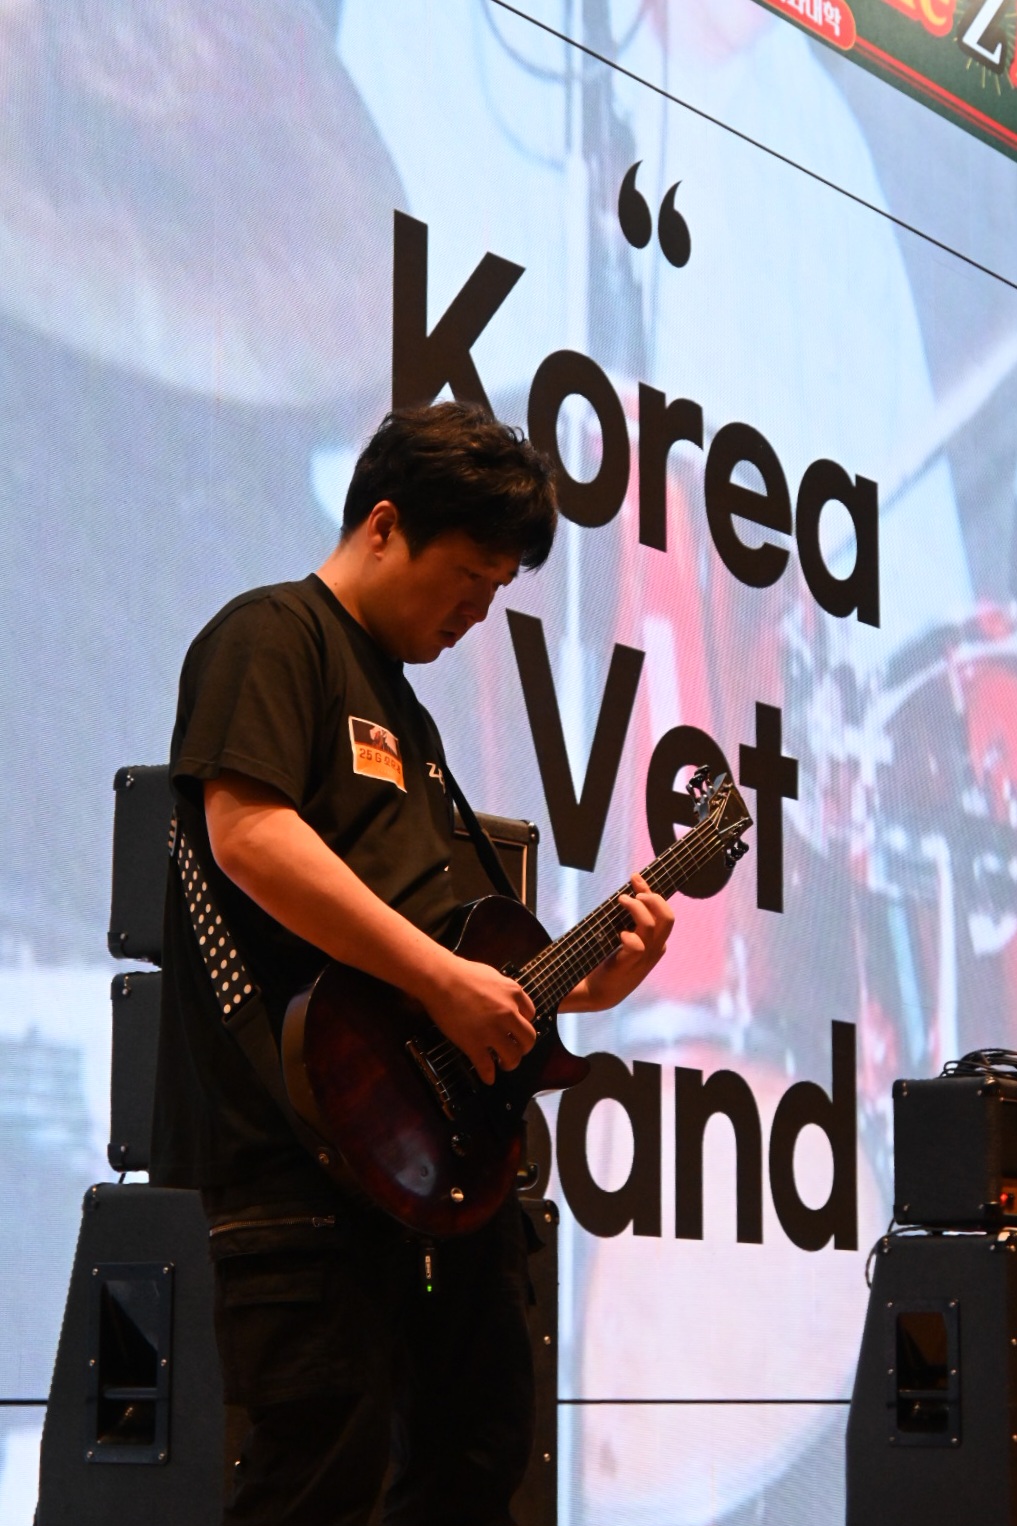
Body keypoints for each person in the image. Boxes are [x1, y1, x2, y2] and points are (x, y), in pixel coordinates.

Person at [150, 401, 675, 1526]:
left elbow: (455, 953)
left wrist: (589, 984)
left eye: (498, 590)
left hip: (429, 1172)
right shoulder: (272, 633)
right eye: (469, 578)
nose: (478, 612)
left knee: (476, 1457)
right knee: (315, 1479)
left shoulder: (411, 721)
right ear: (384, 525)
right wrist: (441, 980)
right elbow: (250, 835)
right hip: (301, 1152)